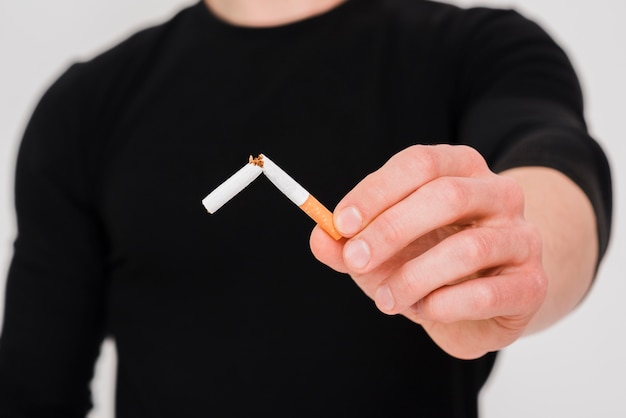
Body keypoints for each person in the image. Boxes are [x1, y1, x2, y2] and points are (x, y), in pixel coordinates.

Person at [0, 0, 612, 417]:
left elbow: (553, 164)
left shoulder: (479, 50)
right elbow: (32, 392)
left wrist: (509, 252)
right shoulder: (84, 107)